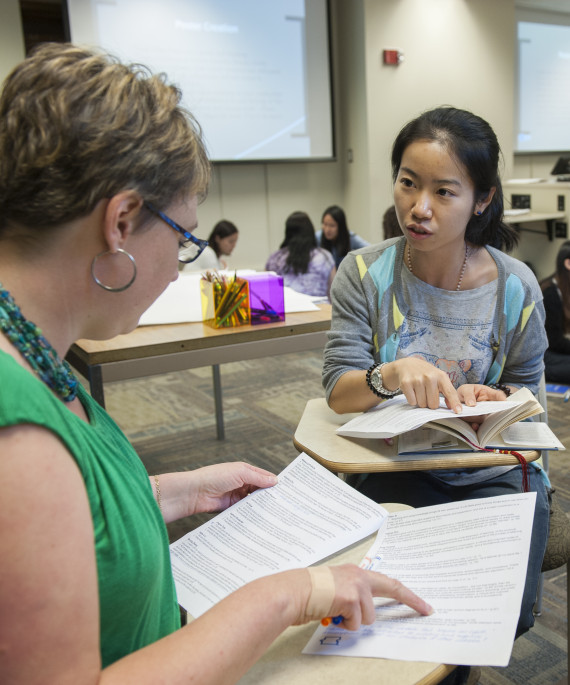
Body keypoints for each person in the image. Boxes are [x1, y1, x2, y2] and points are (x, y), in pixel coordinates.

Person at [0, 43, 434, 684]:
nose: (181, 260)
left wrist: (175, 492)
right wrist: (289, 595)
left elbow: (63, 527)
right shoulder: (19, 437)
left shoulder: (29, 350)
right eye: (183, 239)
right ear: (121, 221)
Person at [322, 106, 550, 642]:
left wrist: (494, 397)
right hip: (389, 467)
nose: (418, 208)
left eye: (444, 192)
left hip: (492, 474)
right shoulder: (364, 274)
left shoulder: (516, 288)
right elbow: (337, 389)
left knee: (491, 619)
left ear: (483, 199)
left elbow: (529, 398)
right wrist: (391, 374)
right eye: (407, 183)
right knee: (370, 618)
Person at [265, 211, 336, 297]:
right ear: (310, 231)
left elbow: (267, 292)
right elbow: (333, 294)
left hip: (286, 309)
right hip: (320, 309)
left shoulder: (275, 259)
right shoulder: (325, 257)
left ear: (287, 233)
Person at [541, 241, 570, 383]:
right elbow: (555, 342)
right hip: (544, 357)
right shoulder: (550, 294)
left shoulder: (564, 288)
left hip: (555, 351)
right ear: (568, 264)